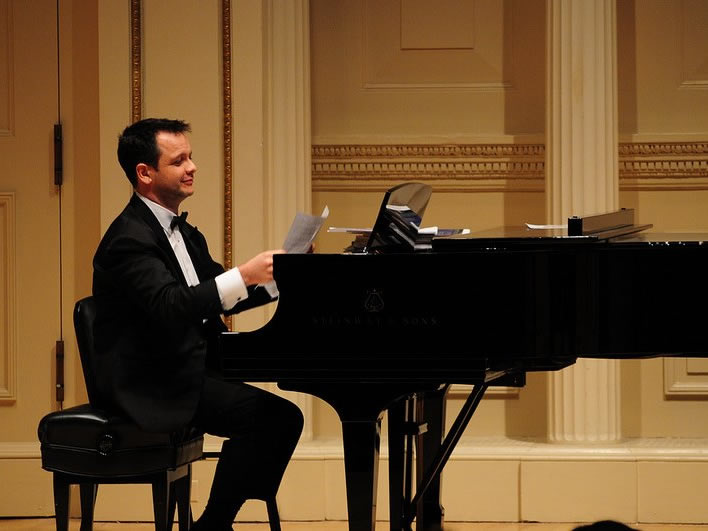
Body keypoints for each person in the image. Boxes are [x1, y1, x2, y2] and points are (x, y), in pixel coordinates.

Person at [92, 118, 303, 530]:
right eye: (180, 160)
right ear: (145, 173)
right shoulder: (128, 239)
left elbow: (215, 298)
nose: (193, 166)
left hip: (185, 367)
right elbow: (172, 306)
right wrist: (244, 273)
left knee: (281, 418)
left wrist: (282, 277)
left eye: (191, 157)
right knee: (273, 419)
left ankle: (217, 518)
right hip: (152, 382)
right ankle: (215, 523)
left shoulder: (184, 234)